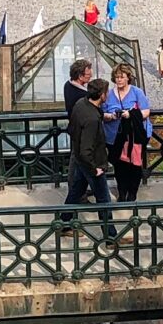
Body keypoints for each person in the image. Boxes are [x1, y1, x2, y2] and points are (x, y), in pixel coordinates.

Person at [61, 75, 118, 240]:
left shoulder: (81, 104)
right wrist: (96, 168)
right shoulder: (92, 119)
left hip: (80, 159)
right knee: (104, 200)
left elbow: (72, 130)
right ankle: (111, 237)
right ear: (102, 95)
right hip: (92, 164)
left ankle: (64, 224)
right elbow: (87, 149)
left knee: (75, 193)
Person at [104, 62, 153, 203]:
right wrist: (111, 116)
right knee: (119, 166)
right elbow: (102, 112)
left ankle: (132, 193)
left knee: (134, 165)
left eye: (122, 77)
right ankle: (122, 191)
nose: (119, 79)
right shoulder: (108, 94)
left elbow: (146, 111)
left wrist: (131, 114)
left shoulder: (137, 92)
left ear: (128, 78)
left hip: (134, 136)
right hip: (114, 136)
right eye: (117, 77)